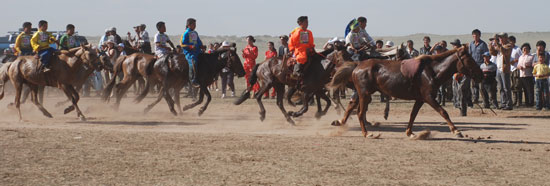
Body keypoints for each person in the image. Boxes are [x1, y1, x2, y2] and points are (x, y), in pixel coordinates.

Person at [489, 32, 513, 110]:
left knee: (506, 87)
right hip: (499, 69)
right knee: (501, 87)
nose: (500, 39)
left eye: (501, 37)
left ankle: (509, 104)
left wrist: (498, 45)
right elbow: (493, 53)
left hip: (505, 69)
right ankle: (503, 103)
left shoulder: (508, 45)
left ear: (506, 38)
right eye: (499, 38)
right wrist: (491, 45)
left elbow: (505, 52)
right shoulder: (499, 46)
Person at [180, 18, 204, 87]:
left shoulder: (195, 33)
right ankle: (192, 80)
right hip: (190, 53)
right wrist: (190, 47)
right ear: (189, 25)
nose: (195, 26)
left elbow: (198, 41)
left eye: (195, 24)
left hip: (198, 52)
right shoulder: (186, 33)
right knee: (194, 62)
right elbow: (182, 44)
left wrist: (201, 46)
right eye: (194, 24)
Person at [469, 29, 489, 104]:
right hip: (473, 67)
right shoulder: (471, 44)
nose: (475, 36)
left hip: (481, 66)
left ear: (479, 35)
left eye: (477, 35)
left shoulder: (483, 44)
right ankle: (475, 99)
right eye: (474, 35)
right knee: (474, 84)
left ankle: (485, 101)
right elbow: (469, 55)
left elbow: (486, 55)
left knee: (482, 85)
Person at [517, 43, 535, 107]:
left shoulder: (531, 56)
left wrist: (527, 66)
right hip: (522, 75)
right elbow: (518, 65)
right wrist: (519, 67)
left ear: (529, 49)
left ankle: (531, 103)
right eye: (523, 48)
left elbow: (533, 65)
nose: (525, 49)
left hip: (528, 75)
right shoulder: (520, 57)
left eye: (526, 48)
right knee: (524, 90)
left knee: (529, 90)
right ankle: (527, 103)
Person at [508, 36, 523, 106]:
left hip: (516, 69)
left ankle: (519, 101)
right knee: (513, 86)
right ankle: (514, 100)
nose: (510, 43)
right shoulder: (508, 49)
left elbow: (521, 57)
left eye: (511, 41)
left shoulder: (518, 49)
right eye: (509, 41)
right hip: (510, 69)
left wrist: (515, 61)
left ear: (514, 41)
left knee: (518, 85)